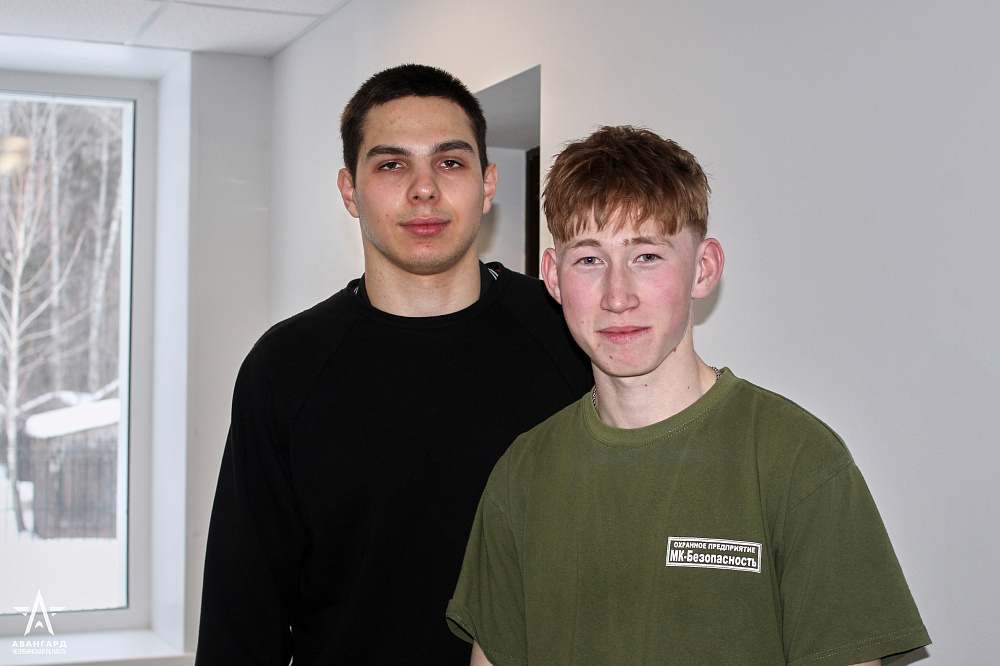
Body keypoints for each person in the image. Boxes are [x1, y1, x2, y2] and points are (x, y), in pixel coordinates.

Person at [447, 126, 930, 665]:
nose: (617, 297)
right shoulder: (523, 473)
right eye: (589, 260)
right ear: (554, 279)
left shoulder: (797, 461)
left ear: (703, 269)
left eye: (647, 257)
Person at [195, 64, 592, 664]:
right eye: (391, 165)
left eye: (450, 162)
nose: (424, 189)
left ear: (488, 185)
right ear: (349, 190)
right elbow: (242, 614)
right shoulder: (286, 367)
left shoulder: (569, 335)